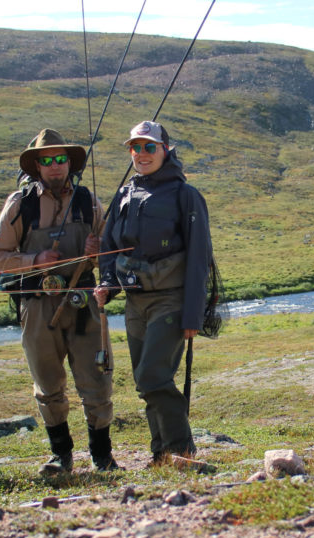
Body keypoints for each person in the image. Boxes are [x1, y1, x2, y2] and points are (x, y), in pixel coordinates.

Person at [0, 128, 118, 473]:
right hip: (37, 303)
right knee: (48, 383)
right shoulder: (20, 204)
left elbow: (111, 251)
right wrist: (35, 261)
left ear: (69, 164)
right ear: (37, 166)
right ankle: (61, 455)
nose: (56, 166)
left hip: (84, 299)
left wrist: (99, 249)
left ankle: (102, 457)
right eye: (48, 160)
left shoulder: (89, 201)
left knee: (97, 380)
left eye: (61, 159)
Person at [94, 121, 212, 465]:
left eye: (149, 147)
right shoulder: (125, 194)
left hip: (171, 300)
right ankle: (161, 454)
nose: (141, 154)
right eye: (135, 148)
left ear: (165, 150)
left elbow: (199, 258)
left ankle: (183, 450)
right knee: (145, 382)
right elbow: (109, 247)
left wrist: (194, 316)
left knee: (152, 376)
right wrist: (108, 283)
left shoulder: (185, 195)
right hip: (135, 303)